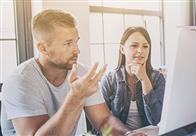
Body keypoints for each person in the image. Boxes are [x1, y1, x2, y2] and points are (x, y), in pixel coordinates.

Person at [1, 9, 138, 136]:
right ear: (43, 48)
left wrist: (126, 134)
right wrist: (75, 98)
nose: (77, 50)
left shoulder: (81, 72)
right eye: (68, 44)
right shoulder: (20, 82)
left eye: (76, 42)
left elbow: (103, 121)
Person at [100, 26, 166, 130]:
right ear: (122, 49)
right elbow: (101, 122)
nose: (140, 50)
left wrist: (144, 79)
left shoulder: (157, 78)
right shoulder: (109, 80)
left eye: (145, 46)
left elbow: (155, 120)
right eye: (134, 45)